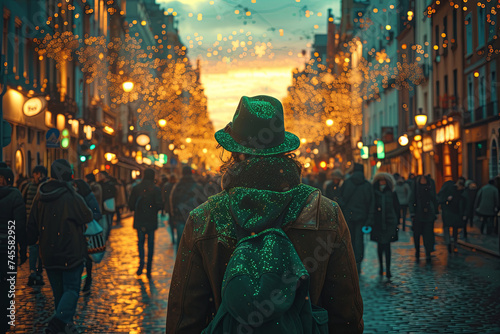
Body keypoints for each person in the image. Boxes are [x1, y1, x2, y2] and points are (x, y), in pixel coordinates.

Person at [166, 95, 363, 333]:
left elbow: (185, 317)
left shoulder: (205, 217)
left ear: (235, 153)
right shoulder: (324, 212)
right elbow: (346, 312)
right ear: (282, 151)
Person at [27, 159, 93, 333]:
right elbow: (87, 215)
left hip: (48, 253)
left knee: (59, 292)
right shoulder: (71, 196)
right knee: (71, 289)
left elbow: (32, 223)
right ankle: (58, 323)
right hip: (71, 251)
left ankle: (66, 325)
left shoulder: (40, 196)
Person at [0, 163, 27, 334]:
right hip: (8, 247)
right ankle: (6, 322)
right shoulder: (15, 195)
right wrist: (22, 250)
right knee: (8, 287)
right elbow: (19, 226)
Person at [338, 162, 374, 274]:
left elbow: (340, 200)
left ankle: (351, 262)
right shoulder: (367, 185)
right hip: (361, 217)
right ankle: (358, 262)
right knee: (359, 241)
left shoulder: (347, 183)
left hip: (348, 216)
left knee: (349, 240)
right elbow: (371, 203)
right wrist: (369, 219)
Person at [128, 168, 162, 278]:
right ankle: (149, 268)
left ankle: (141, 262)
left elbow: (131, 205)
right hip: (151, 220)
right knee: (151, 244)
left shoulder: (136, 188)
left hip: (139, 219)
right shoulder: (156, 189)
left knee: (140, 242)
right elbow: (160, 205)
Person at [73, 179, 102, 295]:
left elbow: (97, 213)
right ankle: (81, 281)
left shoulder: (89, 197)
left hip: (87, 233)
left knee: (87, 257)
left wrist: (85, 218)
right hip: (77, 233)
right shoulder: (75, 197)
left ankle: (88, 280)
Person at [169, 166, 206, 252]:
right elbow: (203, 203)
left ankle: (181, 264)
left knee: (180, 244)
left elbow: (173, 201)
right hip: (195, 219)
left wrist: (174, 216)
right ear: (191, 173)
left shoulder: (177, 186)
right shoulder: (198, 187)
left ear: (182, 173)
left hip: (180, 218)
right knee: (194, 245)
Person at [23, 165, 48, 286]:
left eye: (41, 174)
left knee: (41, 250)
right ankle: (33, 272)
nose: (39, 176)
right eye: (37, 173)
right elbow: (22, 203)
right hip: (31, 223)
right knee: (33, 249)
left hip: (42, 224)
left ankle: (39, 272)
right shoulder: (27, 187)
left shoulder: (45, 188)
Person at [371, 173, 399, 279]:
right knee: (380, 246)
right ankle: (381, 267)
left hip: (389, 223)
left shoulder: (391, 193)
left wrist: (396, 221)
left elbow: (396, 207)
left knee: (387, 246)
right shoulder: (374, 193)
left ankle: (388, 269)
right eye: (380, 181)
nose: (382, 183)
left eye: (384, 181)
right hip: (378, 223)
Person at [408, 174, 438, 263]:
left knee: (428, 234)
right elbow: (412, 199)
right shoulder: (415, 186)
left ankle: (428, 252)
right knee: (417, 234)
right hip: (418, 213)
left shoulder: (430, 185)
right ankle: (417, 251)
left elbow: (434, 198)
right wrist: (412, 212)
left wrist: (435, 210)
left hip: (429, 213)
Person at [438, 179, 467, 253]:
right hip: (450, 212)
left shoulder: (459, 192)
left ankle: (452, 243)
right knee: (451, 227)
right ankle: (451, 243)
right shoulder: (451, 190)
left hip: (452, 212)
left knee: (452, 227)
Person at [98, 171, 116, 239]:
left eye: (101, 175)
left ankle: (106, 237)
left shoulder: (110, 185)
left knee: (108, 223)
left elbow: (112, 194)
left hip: (108, 205)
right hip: (102, 207)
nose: (99, 177)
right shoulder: (99, 184)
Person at [162, 174, 177, 244]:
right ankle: (177, 236)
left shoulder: (166, 186)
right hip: (176, 207)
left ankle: (173, 237)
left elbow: (163, 197)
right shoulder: (177, 186)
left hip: (168, 206)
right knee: (177, 221)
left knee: (171, 221)